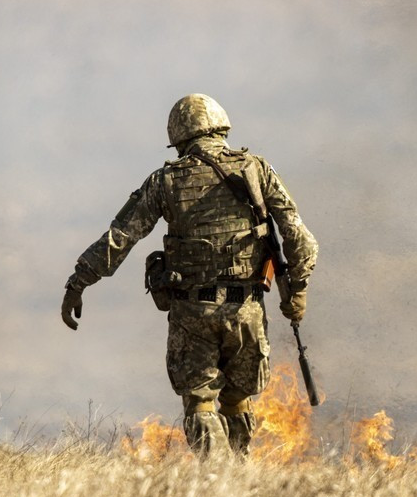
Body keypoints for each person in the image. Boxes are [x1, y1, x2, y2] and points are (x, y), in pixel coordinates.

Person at [61, 93, 318, 456]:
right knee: (238, 399)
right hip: (246, 310)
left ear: (179, 137)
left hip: (191, 314)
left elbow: (120, 237)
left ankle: (215, 481)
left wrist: (79, 281)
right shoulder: (256, 169)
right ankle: (238, 482)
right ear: (221, 127)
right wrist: (298, 289)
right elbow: (300, 239)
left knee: (200, 402)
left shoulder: (165, 180)